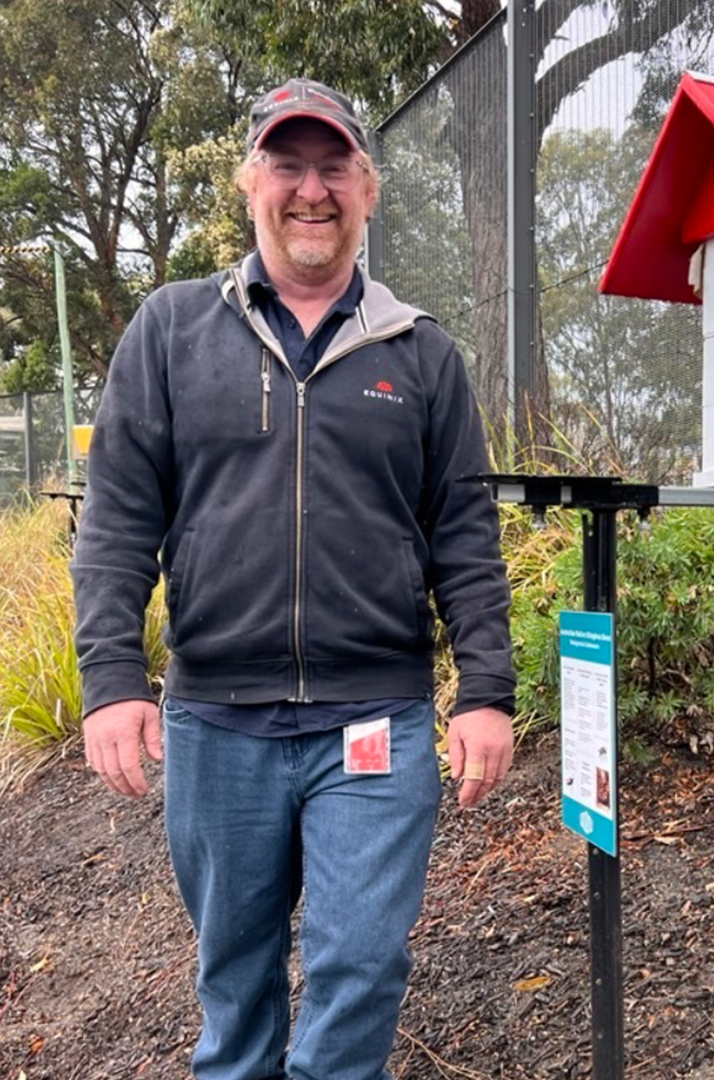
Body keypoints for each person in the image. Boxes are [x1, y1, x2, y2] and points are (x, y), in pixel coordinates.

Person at [72, 77, 516, 1080]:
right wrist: (111, 682)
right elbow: (116, 524)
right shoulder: (172, 332)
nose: (309, 190)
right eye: (287, 164)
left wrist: (485, 691)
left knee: (359, 963)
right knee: (235, 980)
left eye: (333, 168)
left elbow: (465, 534)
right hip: (215, 723)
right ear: (249, 184)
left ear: (367, 188)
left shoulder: (421, 352)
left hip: (375, 717)